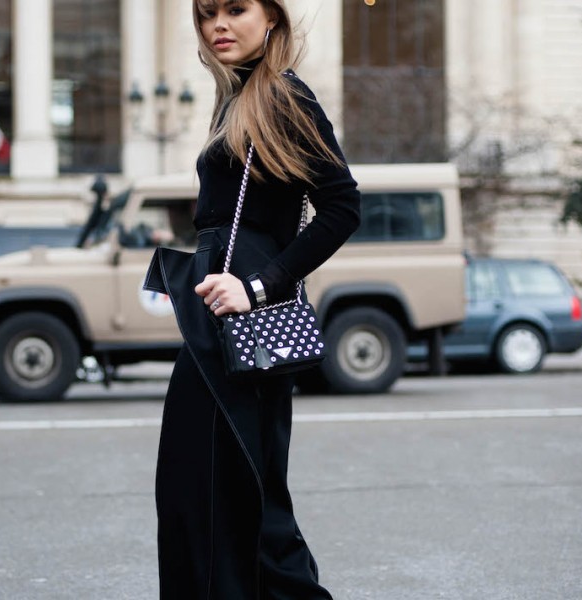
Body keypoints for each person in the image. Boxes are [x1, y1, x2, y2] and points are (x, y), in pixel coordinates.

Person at [148, 1, 362, 597]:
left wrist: (258, 286)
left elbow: (342, 207)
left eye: (235, 8)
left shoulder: (283, 96)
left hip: (246, 321)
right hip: (219, 319)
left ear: (271, 18)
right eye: (206, 13)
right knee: (211, 490)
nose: (217, 24)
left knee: (239, 496)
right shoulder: (238, 98)